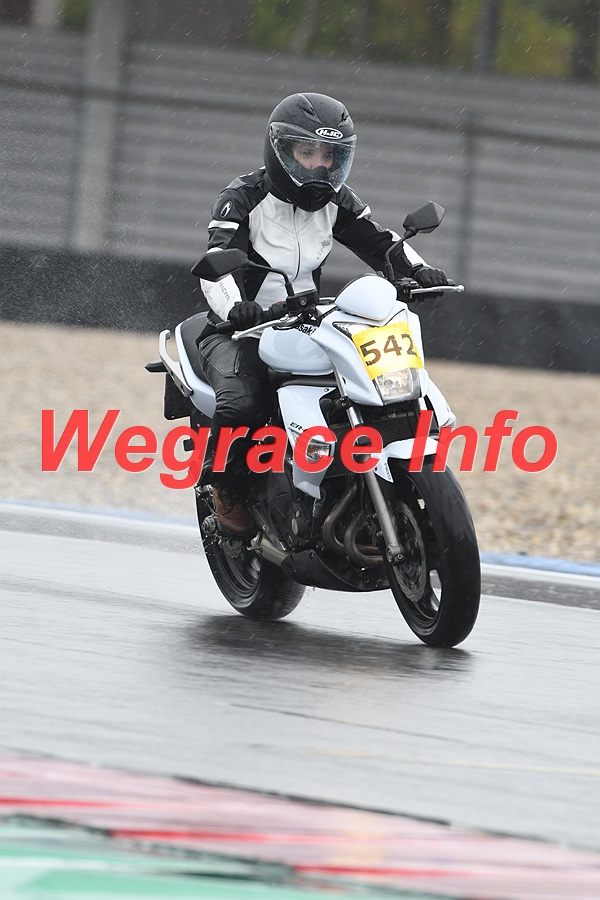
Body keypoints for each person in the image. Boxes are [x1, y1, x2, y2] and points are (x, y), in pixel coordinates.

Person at [196, 92, 449, 535]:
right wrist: (236, 308)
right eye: (307, 153)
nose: (319, 166)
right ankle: (224, 487)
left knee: (370, 382)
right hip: (243, 329)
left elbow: (381, 243)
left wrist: (419, 270)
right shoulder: (242, 198)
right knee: (243, 404)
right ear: (280, 151)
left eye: (330, 156)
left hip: (306, 321)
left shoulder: (336, 199)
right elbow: (217, 262)